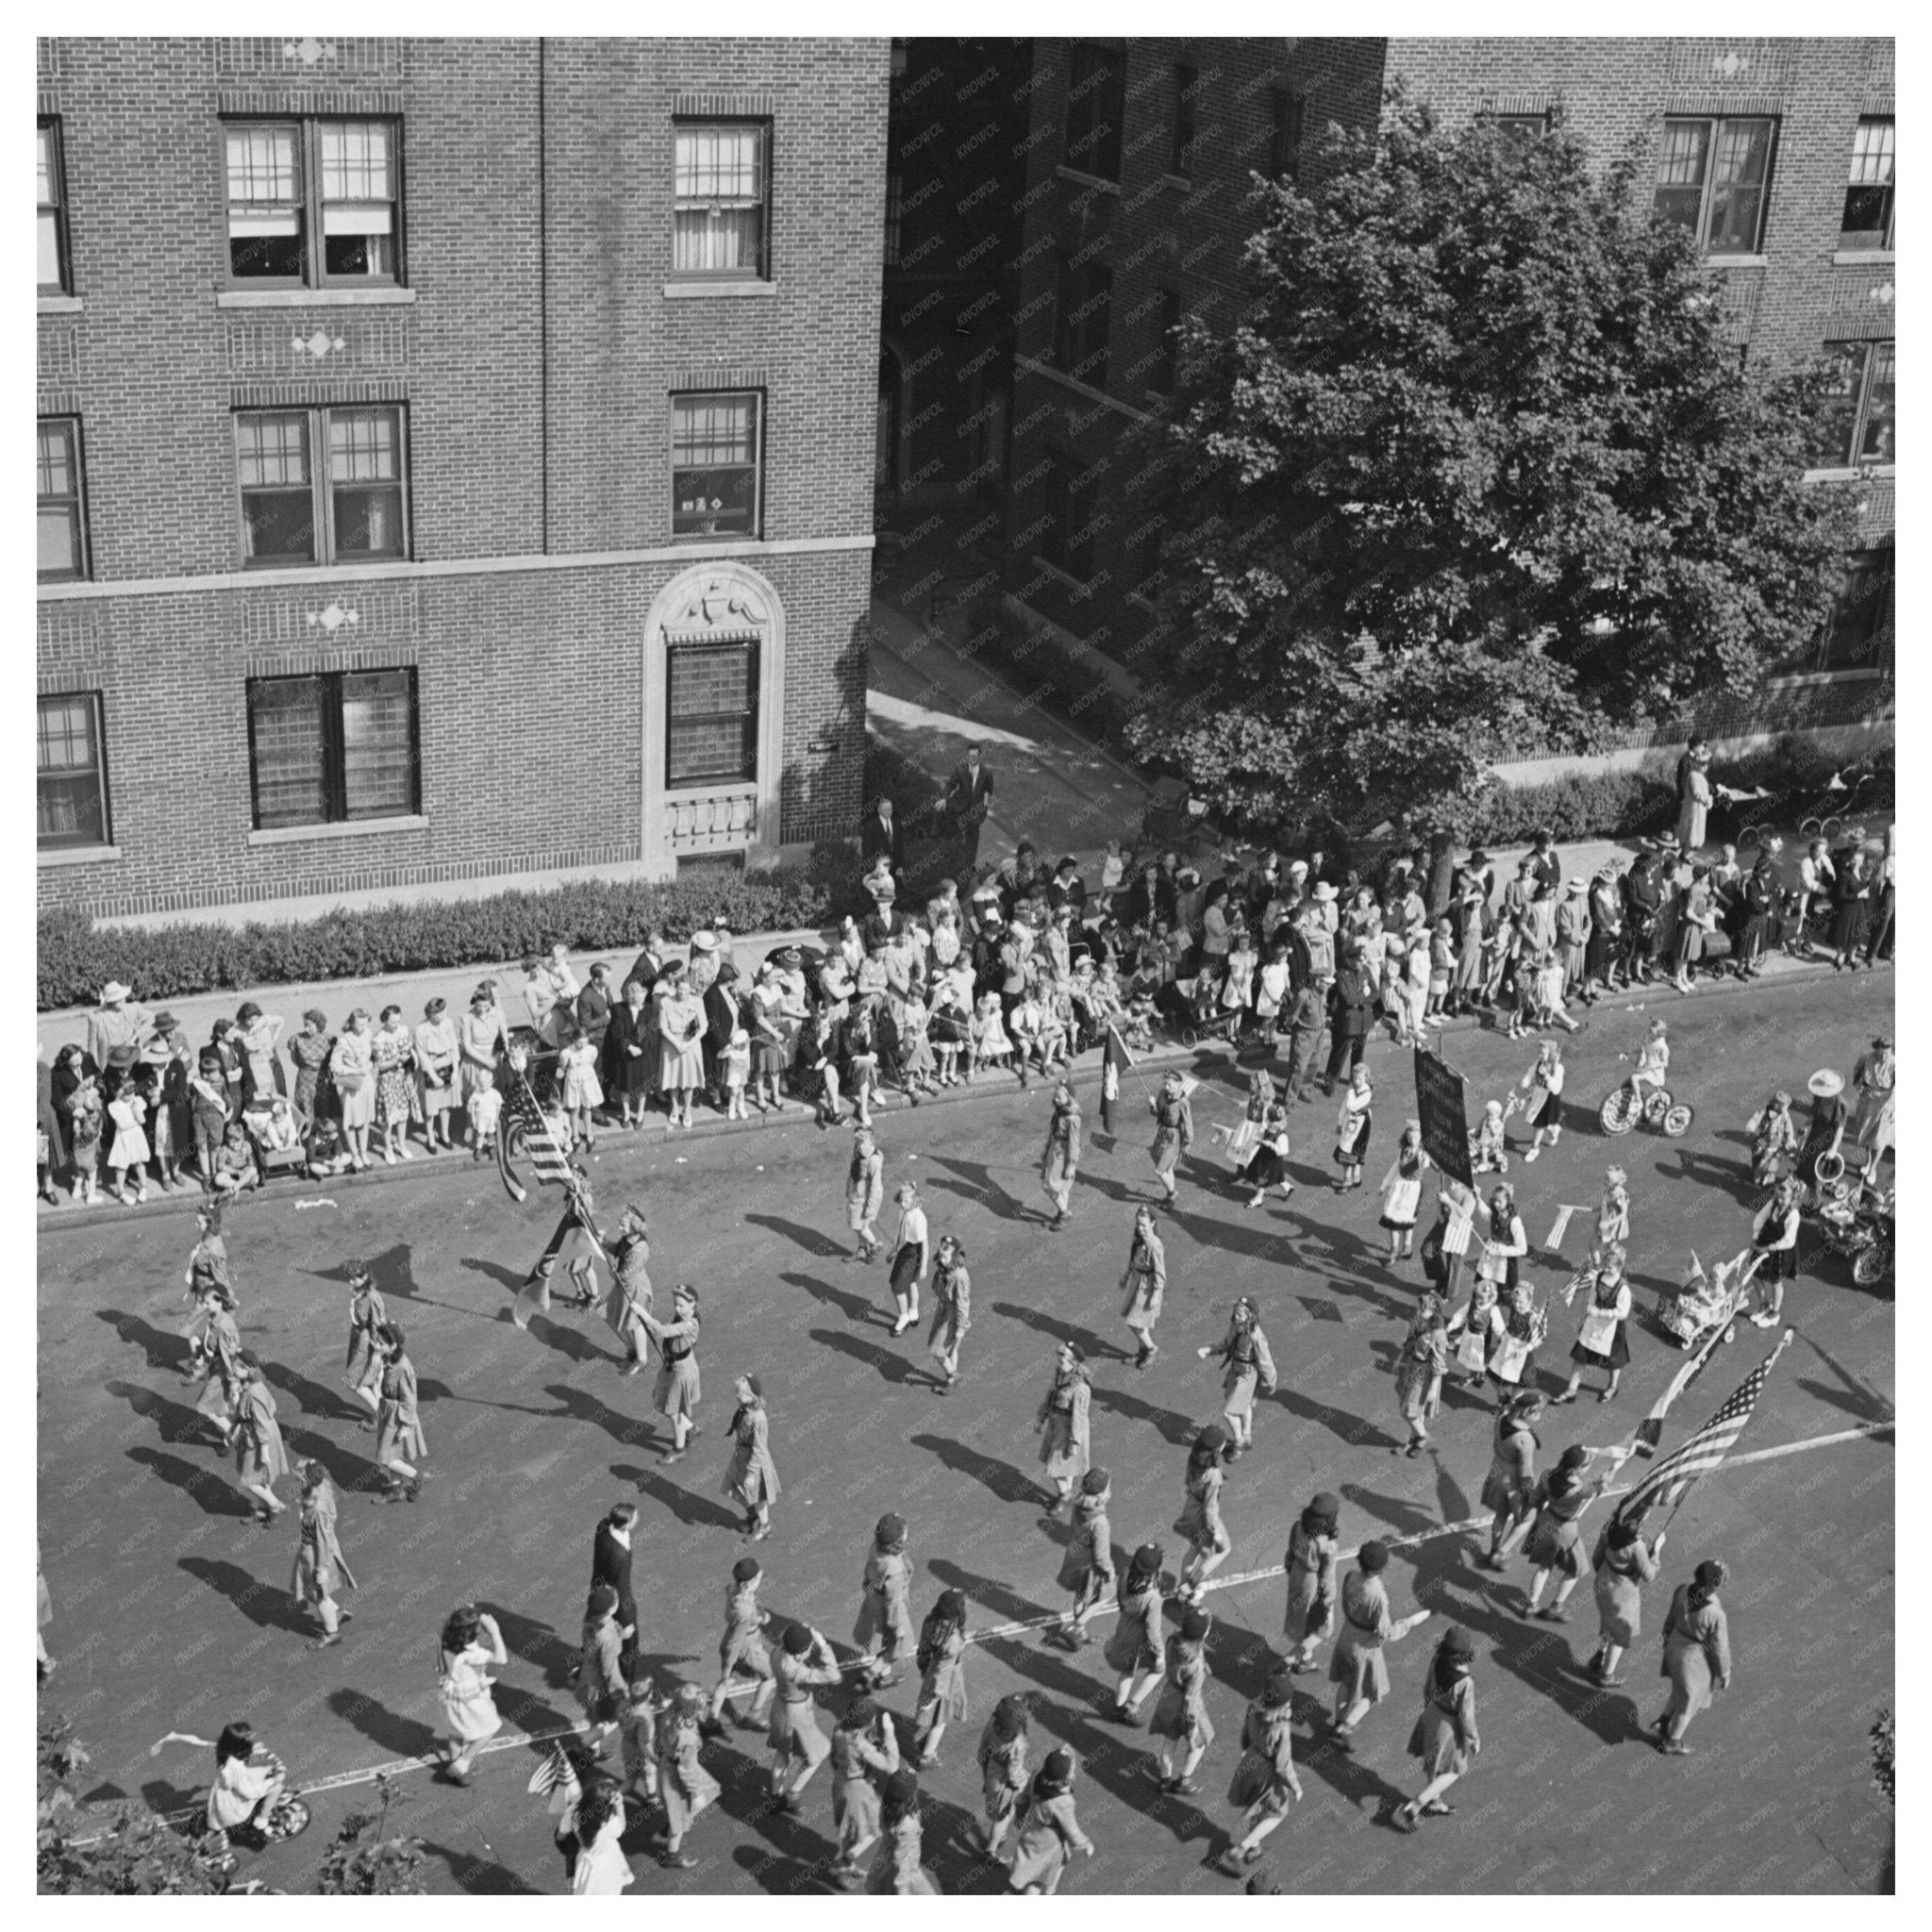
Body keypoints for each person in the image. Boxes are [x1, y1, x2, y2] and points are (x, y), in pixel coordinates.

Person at [1329, 1539, 1431, 1745]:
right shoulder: (1377, 1595)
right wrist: (1409, 1622)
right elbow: (1386, 1632)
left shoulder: (1350, 1577)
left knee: (1347, 1683)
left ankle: (1338, 1720)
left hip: (1346, 1636)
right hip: (1365, 1648)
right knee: (1373, 1692)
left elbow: (1345, 1605)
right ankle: (1346, 1725)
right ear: (1383, 1568)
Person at [1522, 1443, 1627, 1621]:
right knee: (1577, 1569)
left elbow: (1537, 1495)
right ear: (1576, 1468)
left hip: (1546, 1521)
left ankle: (1531, 1604)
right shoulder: (1577, 1491)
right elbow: (1601, 1488)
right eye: (1587, 1465)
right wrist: (1611, 1471)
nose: (1589, 1467)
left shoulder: (1548, 1474)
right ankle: (1556, 1606)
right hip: (1565, 1530)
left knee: (1544, 1567)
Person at [1392, 1626, 1481, 1832]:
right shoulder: (1465, 1682)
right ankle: (1414, 1807)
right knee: (1455, 1769)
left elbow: (1427, 1685)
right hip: (1448, 1727)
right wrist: (1472, 1739)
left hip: (1432, 1713)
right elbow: (1466, 1715)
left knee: (1435, 1763)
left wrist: (1428, 1708)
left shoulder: (1438, 1658)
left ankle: (1434, 1802)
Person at [1222, 1668, 1303, 1871]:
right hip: (1267, 1771)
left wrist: (1247, 1750)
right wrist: (1295, 1787)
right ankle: (1243, 1847)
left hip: (1250, 1761)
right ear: (1285, 1702)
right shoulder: (1281, 1727)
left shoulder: (1254, 1707)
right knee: (1278, 1811)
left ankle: (1255, 1848)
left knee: (1256, 1804)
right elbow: (1283, 1764)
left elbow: (1245, 1734)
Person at [1654, 1558, 1733, 1755]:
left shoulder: (1683, 1589)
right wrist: (1725, 1672)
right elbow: (1720, 1647)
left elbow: (1670, 1618)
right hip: (1694, 1659)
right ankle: (1673, 1741)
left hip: (1675, 1646)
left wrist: (1666, 1637)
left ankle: (1663, 1721)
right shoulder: (1715, 1614)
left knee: (1679, 1689)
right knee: (1689, 1702)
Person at [767, 1622, 842, 1810]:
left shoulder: (777, 1653)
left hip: (779, 1708)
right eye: (809, 1647)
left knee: (782, 1754)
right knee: (819, 1752)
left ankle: (775, 1796)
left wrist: (800, 1632)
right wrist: (824, 1646)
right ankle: (794, 1791)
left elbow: (788, 1637)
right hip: (798, 1714)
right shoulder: (796, 1671)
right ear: (799, 1653)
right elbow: (834, 1676)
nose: (812, 1649)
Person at [829, 1694, 901, 1885]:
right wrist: (890, 1733)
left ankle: (847, 1869)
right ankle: (846, 1861)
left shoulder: (839, 1728)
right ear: (868, 1722)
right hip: (858, 1790)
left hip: (840, 1782)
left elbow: (834, 1756)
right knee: (875, 1828)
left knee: (848, 1829)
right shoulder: (861, 1745)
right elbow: (891, 1766)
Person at [435, 1604, 508, 1784]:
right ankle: (462, 1764)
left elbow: (440, 1667)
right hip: (471, 1700)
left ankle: (456, 1767)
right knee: (491, 1728)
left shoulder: (445, 1643)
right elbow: (501, 1659)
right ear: (472, 1634)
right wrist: (494, 1631)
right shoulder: (473, 1654)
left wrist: (471, 1613)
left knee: (455, 1732)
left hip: (450, 1698)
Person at [1589, 1515, 1665, 1686]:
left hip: (1603, 1582)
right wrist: (1657, 1551)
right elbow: (1649, 1575)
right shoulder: (1637, 1547)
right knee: (1620, 1634)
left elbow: (1598, 1554)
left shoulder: (1609, 1529)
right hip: (1622, 1593)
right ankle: (1607, 1676)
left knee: (1609, 1621)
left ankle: (1600, 1655)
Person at [1008, 1747, 1095, 1894]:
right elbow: (1071, 1830)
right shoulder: (1063, 1802)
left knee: (1028, 1869)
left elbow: (1023, 1798)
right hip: (1051, 1845)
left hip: (1031, 1833)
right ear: (1065, 1777)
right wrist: (1085, 1844)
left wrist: (1020, 1815)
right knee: (1046, 1881)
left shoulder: (1037, 1776)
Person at [1556, 1245, 1635, 1404]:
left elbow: (1622, 1313)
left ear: (1619, 1266)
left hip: (1612, 1328)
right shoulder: (1599, 1276)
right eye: (1605, 1266)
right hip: (1593, 1323)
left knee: (1613, 1360)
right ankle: (1571, 1389)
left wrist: (1601, 1313)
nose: (1606, 1269)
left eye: (1610, 1267)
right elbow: (1593, 1294)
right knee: (1581, 1355)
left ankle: (1612, 1387)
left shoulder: (1623, 1287)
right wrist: (1590, 1306)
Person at [1149, 1606, 1215, 1794]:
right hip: (1187, 1707)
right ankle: (1184, 1779)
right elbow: (1191, 1698)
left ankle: (1164, 1780)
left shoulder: (1173, 1641)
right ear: (1202, 1635)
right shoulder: (1195, 1664)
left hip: (1169, 1696)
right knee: (1200, 1742)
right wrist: (1192, 1724)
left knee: (1169, 1741)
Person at [655, 1682, 722, 1867]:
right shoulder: (688, 1739)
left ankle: (671, 1822)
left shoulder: (671, 1712)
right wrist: (696, 1792)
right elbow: (686, 1769)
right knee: (680, 1821)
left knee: (711, 1789)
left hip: (666, 1764)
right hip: (678, 1774)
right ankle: (672, 1856)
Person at [1474, 1391, 1543, 1569]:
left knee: (1501, 1514)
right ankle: (1501, 1553)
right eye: (1536, 1413)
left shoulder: (1502, 1418)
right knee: (1527, 1518)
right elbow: (1526, 1471)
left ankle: (1493, 1549)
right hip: (1512, 1480)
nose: (1539, 1417)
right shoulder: (1525, 1438)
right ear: (1526, 1411)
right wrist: (1531, 1494)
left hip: (1497, 1469)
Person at [1199, 1296, 1276, 1457]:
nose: (1236, 1317)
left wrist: (1271, 1381)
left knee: (1228, 1412)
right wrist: (1209, 1350)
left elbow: (1265, 1360)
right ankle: (1247, 1434)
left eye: (1240, 1315)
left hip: (1247, 1375)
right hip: (1236, 1370)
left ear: (1250, 1316)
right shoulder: (1235, 1325)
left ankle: (1239, 1441)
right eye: (1235, 1314)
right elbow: (1227, 1344)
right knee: (1244, 1405)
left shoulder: (1256, 1336)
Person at [1050, 1467, 1116, 1650]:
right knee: (1108, 1593)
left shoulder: (1079, 1505)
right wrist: (1109, 1571)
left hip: (1074, 1552)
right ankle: (1075, 1627)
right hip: (1090, 1563)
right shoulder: (1101, 1522)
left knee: (1081, 1594)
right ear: (1103, 1492)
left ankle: (1080, 1633)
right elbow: (1101, 1556)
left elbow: (1072, 1526)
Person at [709, 1554, 776, 1731]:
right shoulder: (745, 1611)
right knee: (770, 1675)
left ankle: (712, 1720)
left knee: (725, 1682)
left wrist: (759, 1614)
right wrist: (759, 1619)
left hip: (729, 1641)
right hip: (746, 1648)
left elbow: (747, 1602)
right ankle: (754, 1715)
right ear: (748, 1583)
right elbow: (737, 1639)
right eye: (758, 1580)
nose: (760, 1582)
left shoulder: (733, 1589)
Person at [1104, 1542, 1168, 1724]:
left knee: (1127, 1670)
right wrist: (1160, 1655)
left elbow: (1120, 1600)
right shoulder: (1153, 1597)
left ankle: (1119, 1707)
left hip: (1124, 1627)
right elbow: (1152, 1630)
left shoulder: (1125, 1574)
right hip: (1140, 1638)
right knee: (1158, 1669)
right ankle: (1132, 1704)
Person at [205, 1722, 292, 1852]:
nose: (252, 1738)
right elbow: (250, 1792)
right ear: (240, 1744)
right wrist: (273, 1780)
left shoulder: (224, 1749)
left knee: (266, 1771)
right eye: (248, 1738)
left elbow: (238, 1759)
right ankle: (261, 1821)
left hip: (225, 1792)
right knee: (276, 1787)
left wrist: (254, 1750)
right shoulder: (235, 1769)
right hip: (236, 1800)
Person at [1174, 1424, 1237, 1603]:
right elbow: (1210, 1508)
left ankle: (1182, 1590)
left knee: (1193, 1550)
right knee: (1224, 1549)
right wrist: (1214, 1531)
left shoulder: (1193, 1458)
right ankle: (1190, 1587)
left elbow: (1189, 1481)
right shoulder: (1214, 1475)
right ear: (1218, 1449)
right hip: (1204, 1516)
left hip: (1191, 1507)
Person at [854, 1512, 918, 1688]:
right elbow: (893, 1602)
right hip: (888, 1609)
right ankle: (871, 1673)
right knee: (897, 1646)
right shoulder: (895, 1569)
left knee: (881, 1641)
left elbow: (868, 1572)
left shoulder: (876, 1548)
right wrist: (897, 1627)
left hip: (873, 1600)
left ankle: (885, 1678)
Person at [641, 1283, 702, 1461]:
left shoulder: (691, 1323)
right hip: (673, 1367)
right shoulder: (681, 1315)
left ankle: (679, 1449)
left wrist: (643, 1314)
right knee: (667, 1400)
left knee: (673, 1409)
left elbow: (663, 1331)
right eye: (675, 1304)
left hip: (683, 1371)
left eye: (681, 1305)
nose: (677, 1308)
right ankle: (690, 1429)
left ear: (693, 1304)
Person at [1283, 1491, 1341, 1673]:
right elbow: (1327, 1575)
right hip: (1313, 1582)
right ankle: (1294, 1657)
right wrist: (1329, 1597)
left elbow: (1290, 1552)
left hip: (1297, 1574)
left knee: (1301, 1618)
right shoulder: (1328, 1545)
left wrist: (1290, 1567)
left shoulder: (1298, 1527)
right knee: (1320, 1626)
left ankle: (1304, 1660)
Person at [911, 1589, 971, 1768]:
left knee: (935, 1715)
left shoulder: (930, 1621)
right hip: (945, 1681)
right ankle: (926, 1756)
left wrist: (923, 1667)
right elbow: (944, 1671)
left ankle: (925, 1741)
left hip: (930, 1669)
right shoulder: (952, 1640)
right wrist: (937, 1693)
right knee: (941, 1718)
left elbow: (923, 1651)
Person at [372, 1323, 430, 1503]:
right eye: (377, 1341)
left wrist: (406, 1424)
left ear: (393, 1345)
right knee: (392, 1454)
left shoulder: (403, 1367)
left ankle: (416, 1477)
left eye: (381, 1343)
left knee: (385, 1458)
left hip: (397, 1416)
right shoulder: (388, 1359)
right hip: (387, 1410)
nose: (377, 1345)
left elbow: (410, 1398)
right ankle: (397, 1490)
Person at [231, 1355, 291, 1524]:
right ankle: (264, 1512)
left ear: (244, 1369)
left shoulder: (252, 1392)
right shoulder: (252, 1384)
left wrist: (264, 1451)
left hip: (260, 1438)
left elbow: (260, 1423)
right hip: (257, 1435)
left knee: (249, 1480)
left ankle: (274, 1505)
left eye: (235, 1372)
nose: (233, 1376)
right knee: (260, 1476)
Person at [722, 1373, 779, 1541]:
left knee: (759, 1497)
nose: (736, 1395)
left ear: (750, 1395)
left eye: (740, 1392)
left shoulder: (758, 1418)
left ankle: (764, 1526)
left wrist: (752, 1474)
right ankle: (753, 1515)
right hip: (741, 1456)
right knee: (731, 1488)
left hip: (755, 1461)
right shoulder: (744, 1410)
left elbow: (760, 1449)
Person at [1035, 1341, 1091, 1511]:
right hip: (1056, 1423)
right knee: (1065, 1464)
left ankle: (1064, 1494)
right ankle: (1066, 1492)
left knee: (1055, 1466)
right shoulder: (1060, 1375)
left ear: (1074, 1363)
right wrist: (1042, 1415)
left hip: (1071, 1428)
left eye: (1062, 1361)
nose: (1059, 1364)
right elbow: (1050, 1394)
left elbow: (1079, 1416)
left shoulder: (1081, 1388)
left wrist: (1074, 1441)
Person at [865, 1766, 941, 1894]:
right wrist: (901, 1886)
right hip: (904, 1869)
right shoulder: (908, 1825)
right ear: (910, 1797)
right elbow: (901, 1860)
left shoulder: (886, 1810)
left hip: (885, 1859)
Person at [600, 1203, 653, 1378]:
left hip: (636, 1290)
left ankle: (642, 1360)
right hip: (624, 1289)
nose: (620, 1227)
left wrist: (614, 1274)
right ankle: (633, 1354)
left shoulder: (639, 1249)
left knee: (634, 1323)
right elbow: (618, 1250)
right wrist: (604, 1242)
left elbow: (627, 1275)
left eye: (623, 1225)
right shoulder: (627, 1239)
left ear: (634, 1226)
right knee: (614, 1317)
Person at [1393, 1291, 1450, 1457]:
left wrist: (1433, 1388)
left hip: (1423, 1374)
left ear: (1434, 1311)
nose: (1419, 1311)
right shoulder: (1418, 1323)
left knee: (1408, 1412)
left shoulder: (1439, 1334)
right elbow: (1409, 1342)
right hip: (1411, 1366)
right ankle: (1413, 1441)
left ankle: (1422, 1436)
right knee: (1413, 1408)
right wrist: (1399, 1359)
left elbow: (1439, 1363)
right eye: (1420, 1307)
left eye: (1423, 1308)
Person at [976, 1693, 1031, 1858]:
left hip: (992, 1770)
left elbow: (981, 1752)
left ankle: (999, 1838)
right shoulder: (1018, 1744)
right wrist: (1023, 1783)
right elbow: (1014, 1773)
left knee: (997, 1811)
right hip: (1006, 1782)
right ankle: (991, 1850)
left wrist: (986, 1773)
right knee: (1004, 1815)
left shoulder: (992, 1724)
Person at [575, 1585, 627, 1758]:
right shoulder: (608, 1636)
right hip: (599, 1688)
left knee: (595, 1717)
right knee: (618, 1716)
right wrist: (623, 1691)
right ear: (612, 1607)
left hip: (585, 1680)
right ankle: (582, 1747)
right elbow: (609, 1669)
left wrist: (620, 1632)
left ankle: (593, 1751)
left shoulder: (589, 1619)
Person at [1747, 1175, 1804, 1327]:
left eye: (1783, 1199)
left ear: (1792, 1199)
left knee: (1776, 1282)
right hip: (1764, 1242)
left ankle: (1774, 1314)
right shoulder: (1773, 1203)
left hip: (1781, 1251)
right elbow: (1760, 1218)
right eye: (1778, 1196)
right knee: (1754, 1274)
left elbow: (1789, 1240)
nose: (1779, 1200)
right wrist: (1755, 1237)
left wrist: (1771, 1247)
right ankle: (1764, 1304)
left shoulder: (1793, 1215)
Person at [591, 1502, 640, 1671]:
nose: (637, 1518)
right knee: (629, 1647)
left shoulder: (603, 1526)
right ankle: (624, 1682)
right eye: (635, 1516)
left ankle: (597, 1666)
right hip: (617, 1603)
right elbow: (622, 1586)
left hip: (599, 1591)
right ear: (626, 1523)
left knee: (600, 1636)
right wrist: (627, 1620)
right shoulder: (620, 1556)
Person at [1120, 1204, 1168, 1369]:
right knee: (1141, 1322)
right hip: (1137, 1281)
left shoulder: (1155, 1245)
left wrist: (1156, 1294)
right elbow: (1135, 1259)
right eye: (1138, 1224)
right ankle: (1142, 1351)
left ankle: (1151, 1348)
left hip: (1147, 1287)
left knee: (1135, 1322)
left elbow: (1160, 1272)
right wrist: (1127, 1276)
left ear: (1153, 1223)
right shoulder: (1140, 1239)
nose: (1140, 1228)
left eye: (1144, 1225)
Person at [328, 1008, 375, 1172]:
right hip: (353, 1084)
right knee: (351, 1120)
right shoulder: (344, 1041)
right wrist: (354, 1070)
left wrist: (369, 1065)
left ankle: (363, 1152)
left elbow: (372, 1056)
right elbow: (334, 1065)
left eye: (365, 1023)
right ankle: (354, 1154)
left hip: (367, 1081)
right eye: (359, 1024)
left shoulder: (368, 1034)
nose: (363, 1027)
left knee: (364, 1119)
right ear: (352, 1023)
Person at [1378, 1121, 1430, 1261]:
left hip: (1413, 1188)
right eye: (1409, 1137)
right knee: (1393, 1219)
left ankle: (1407, 1246)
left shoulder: (1423, 1153)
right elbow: (1396, 1167)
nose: (1412, 1140)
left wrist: (1425, 1159)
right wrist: (1384, 1185)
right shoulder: (1403, 1149)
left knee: (1407, 1218)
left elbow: (1425, 1164)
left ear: (1421, 1137)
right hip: (1398, 1186)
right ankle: (1394, 1249)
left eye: (1416, 1137)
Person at [925, 1234, 971, 1391]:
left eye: (945, 1257)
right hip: (943, 1309)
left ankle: (952, 1376)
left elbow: (963, 1302)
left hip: (953, 1315)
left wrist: (960, 1327)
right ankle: (951, 1384)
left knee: (937, 1349)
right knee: (951, 1349)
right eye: (941, 1256)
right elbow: (936, 1287)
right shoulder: (943, 1268)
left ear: (954, 1255)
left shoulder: (959, 1275)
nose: (942, 1260)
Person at [886, 1180, 929, 1335]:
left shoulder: (919, 1218)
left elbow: (924, 1244)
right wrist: (893, 1251)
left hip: (914, 1253)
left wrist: (923, 1266)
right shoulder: (905, 1212)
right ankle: (913, 1313)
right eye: (901, 1200)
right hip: (905, 1249)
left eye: (906, 1201)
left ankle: (903, 1318)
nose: (902, 1204)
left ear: (915, 1201)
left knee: (897, 1287)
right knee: (910, 1282)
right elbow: (901, 1233)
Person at [945, 743, 995, 871]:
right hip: (960, 808)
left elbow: (989, 791)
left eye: (974, 756)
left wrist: (983, 807)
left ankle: (969, 867)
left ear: (979, 756)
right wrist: (944, 798)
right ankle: (952, 861)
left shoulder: (986, 773)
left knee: (972, 840)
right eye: (969, 755)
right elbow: (950, 785)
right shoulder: (961, 769)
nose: (971, 758)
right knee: (955, 835)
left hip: (975, 812)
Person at [1146, 1068, 1194, 1204]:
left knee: (1160, 1171)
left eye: (1170, 1084)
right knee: (1159, 1159)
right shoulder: (1162, 1094)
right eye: (1165, 1084)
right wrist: (1152, 1105)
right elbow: (1157, 1113)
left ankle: (1172, 1193)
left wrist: (1188, 1142)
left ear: (1178, 1083)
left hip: (1174, 1138)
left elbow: (1188, 1122)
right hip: (1162, 1132)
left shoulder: (1183, 1102)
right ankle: (1169, 1194)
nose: (1166, 1087)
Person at [1040, 1080, 1081, 1227]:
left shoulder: (1072, 1117)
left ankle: (1064, 1212)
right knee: (1062, 1186)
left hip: (1062, 1154)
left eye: (1059, 1097)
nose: (1056, 1100)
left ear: (1069, 1097)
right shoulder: (1059, 1112)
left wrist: (1071, 1164)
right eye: (1055, 1097)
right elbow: (1052, 1133)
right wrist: (1046, 1149)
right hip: (1054, 1149)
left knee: (1049, 1185)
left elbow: (1074, 1143)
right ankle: (1062, 1213)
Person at [1517, 1039, 1567, 1162]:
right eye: (1539, 1052)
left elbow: (1556, 1088)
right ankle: (1553, 1129)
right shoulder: (1539, 1062)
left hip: (1549, 1099)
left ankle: (1534, 1148)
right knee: (1537, 1120)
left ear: (1551, 1054)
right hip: (1538, 1095)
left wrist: (1548, 1076)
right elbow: (1531, 1072)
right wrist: (1526, 1081)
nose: (1540, 1055)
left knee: (1538, 1124)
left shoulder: (1558, 1068)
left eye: (1543, 1053)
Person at [1334, 1062, 1374, 1191]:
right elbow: (1345, 1106)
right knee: (1346, 1147)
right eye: (1354, 1078)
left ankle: (1350, 1178)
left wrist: (1351, 1091)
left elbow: (1352, 1106)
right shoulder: (1352, 1090)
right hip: (1350, 1120)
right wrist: (1340, 1122)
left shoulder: (1366, 1093)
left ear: (1366, 1078)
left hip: (1361, 1122)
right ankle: (1352, 1177)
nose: (1356, 1081)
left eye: (1360, 1078)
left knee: (1355, 1148)